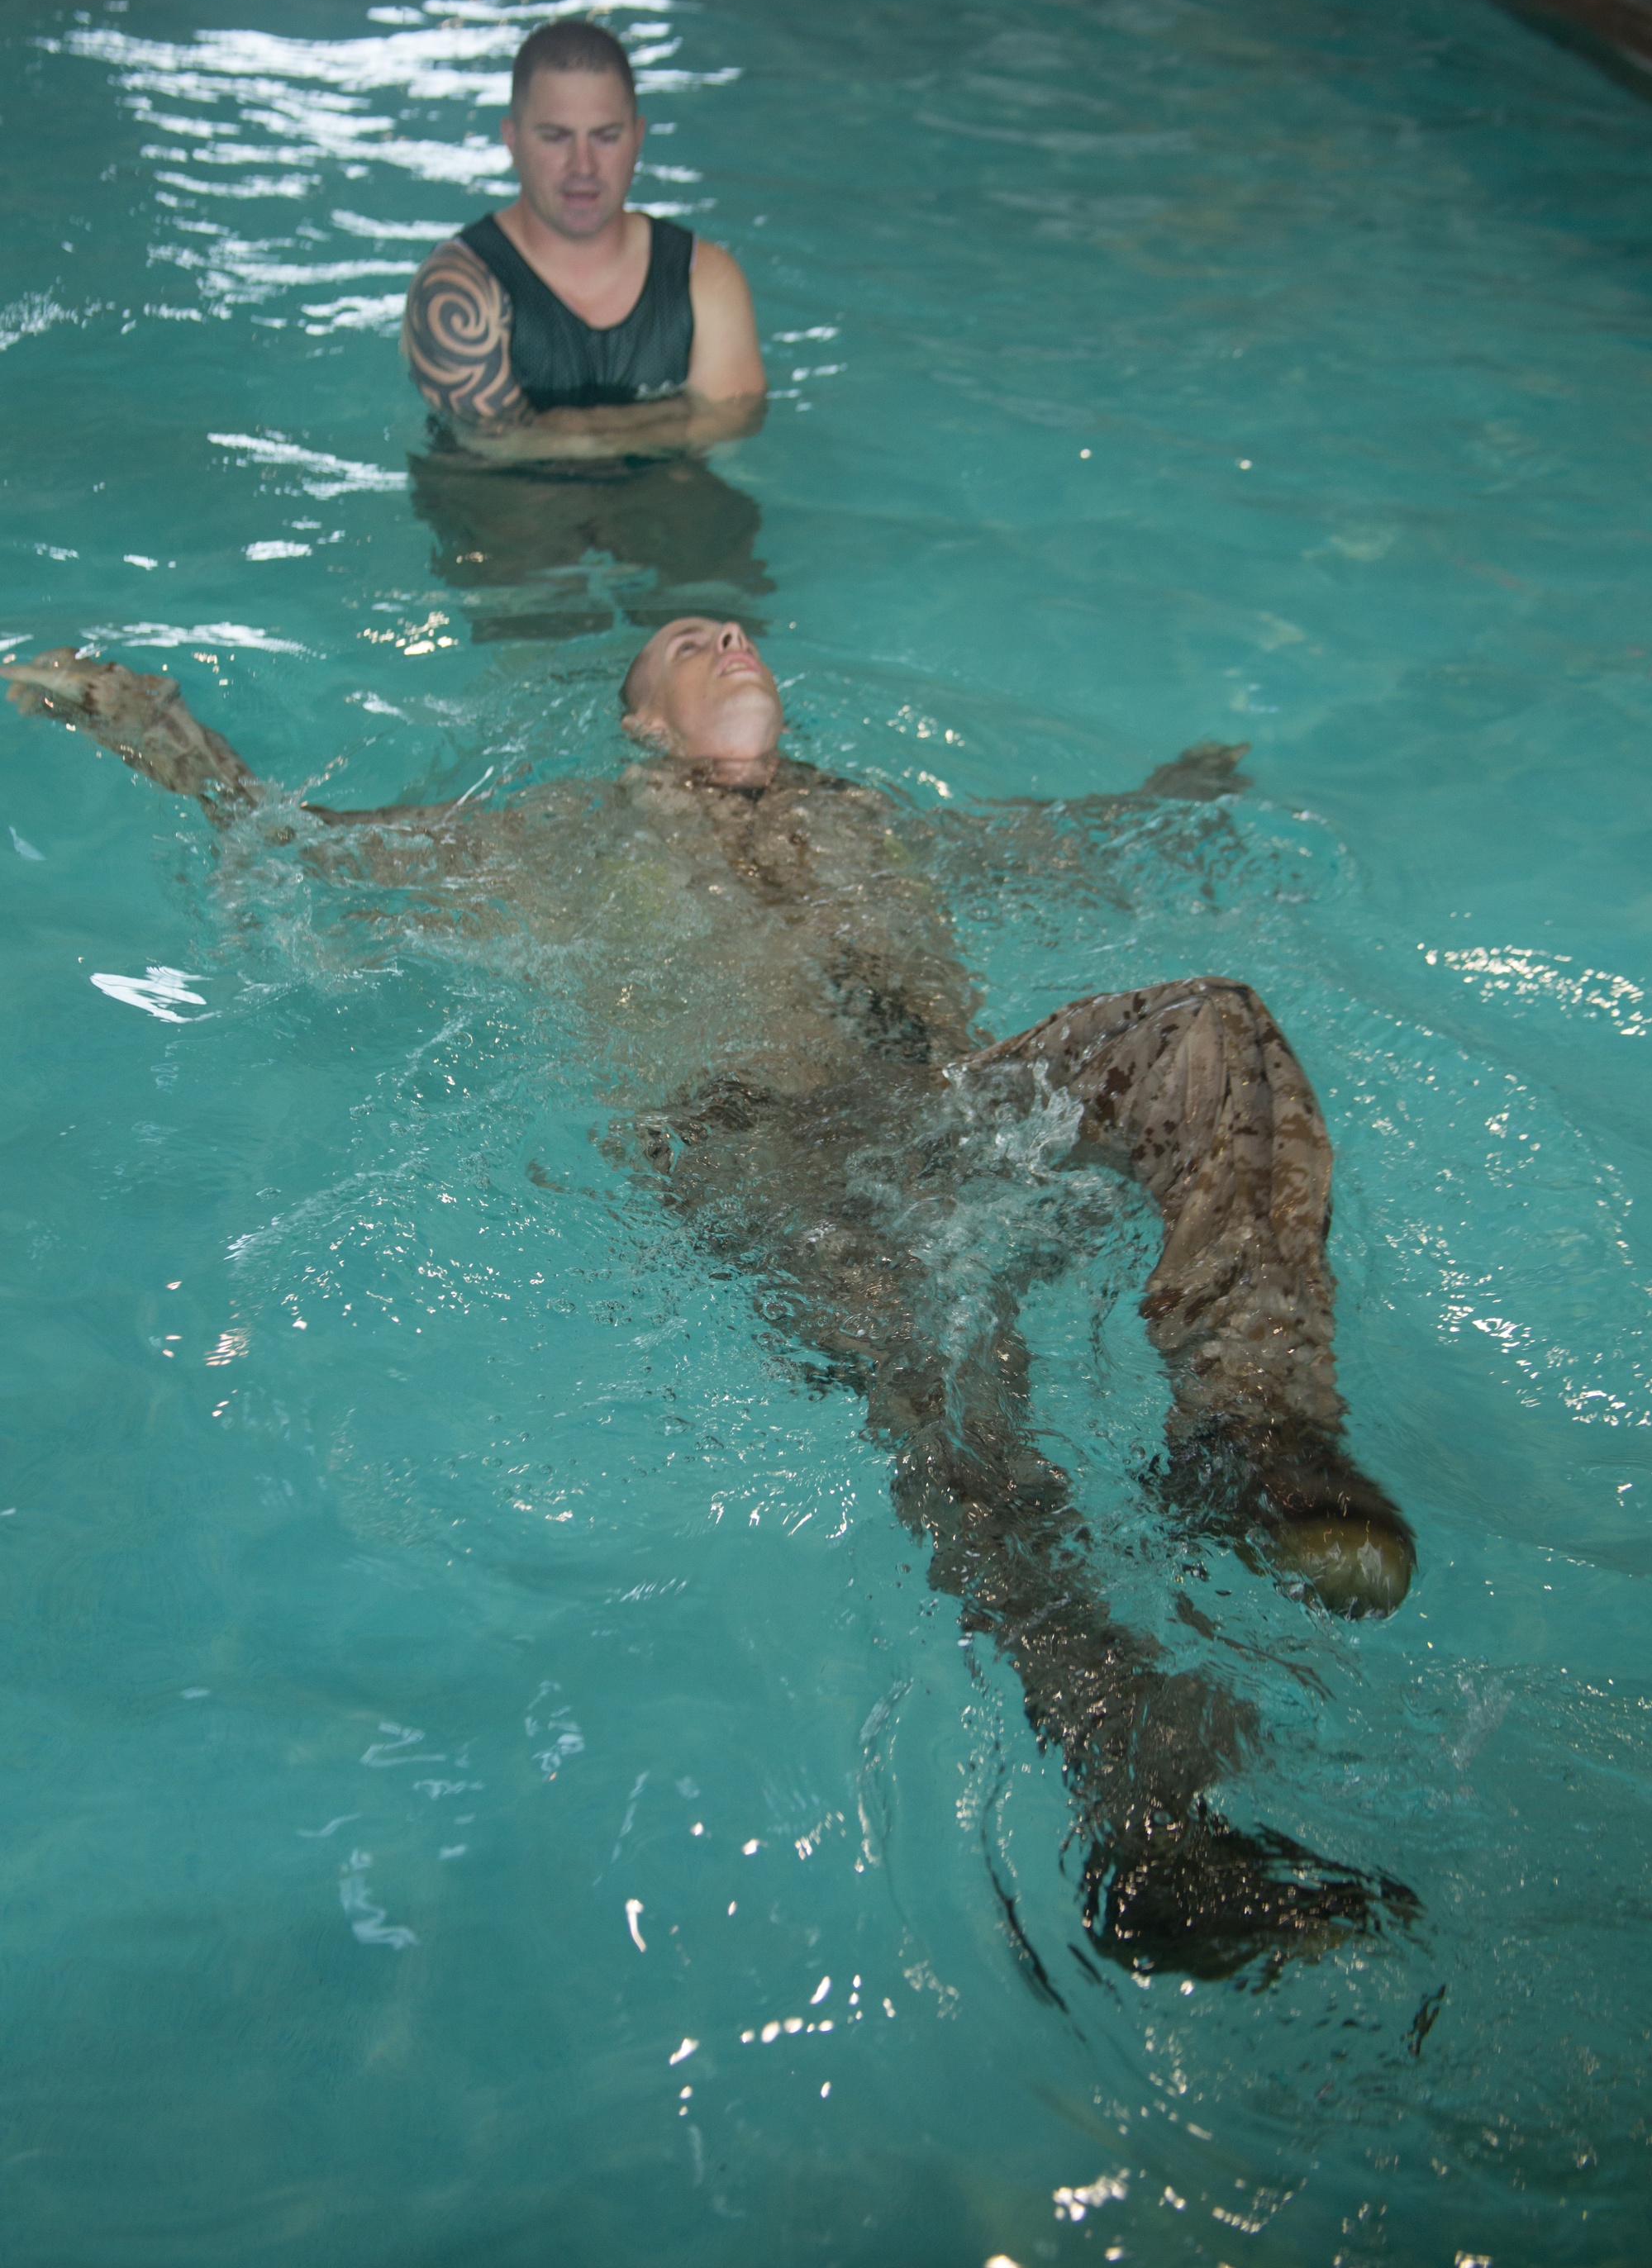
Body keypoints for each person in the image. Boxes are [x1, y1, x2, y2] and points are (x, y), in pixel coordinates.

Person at [5, 627, 1419, 1978]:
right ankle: (1156, 1834)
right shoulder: (553, 834)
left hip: (953, 1114)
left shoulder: (879, 822)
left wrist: (1185, 788)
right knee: (976, 1457)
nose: (728, 643)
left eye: (739, 633)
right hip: (763, 1159)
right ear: (639, 718)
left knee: (1204, 1028)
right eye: (687, 644)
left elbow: (1081, 841)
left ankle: (1251, 1437)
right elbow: (307, 847)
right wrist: (159, 727)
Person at [401, 18, 767, 465]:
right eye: (556, 137)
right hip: (508, 505)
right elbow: (500, 447)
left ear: (638, 138)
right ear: (512, 140)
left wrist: (576, 429)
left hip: (658, 504)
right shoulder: (457, 289)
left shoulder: (704, 277)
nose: (583, 166)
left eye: (606, 137)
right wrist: (667, 418)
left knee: (712, 518)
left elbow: (737, 421)